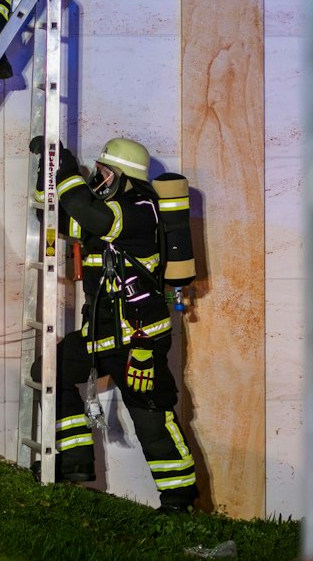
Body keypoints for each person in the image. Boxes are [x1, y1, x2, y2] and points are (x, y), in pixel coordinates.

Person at [48, 138, 197, 513]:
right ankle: (74, 463)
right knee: (49, 374)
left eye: (103, 172)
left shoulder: (140, 208)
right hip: (98, 337)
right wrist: (44, 168)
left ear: (123, 176)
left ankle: (180, 501)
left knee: (151, 419)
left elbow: (84, 207)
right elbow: (61, 216)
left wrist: (65, 167)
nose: (97, 179)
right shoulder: (109, 212)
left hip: (138, 342)